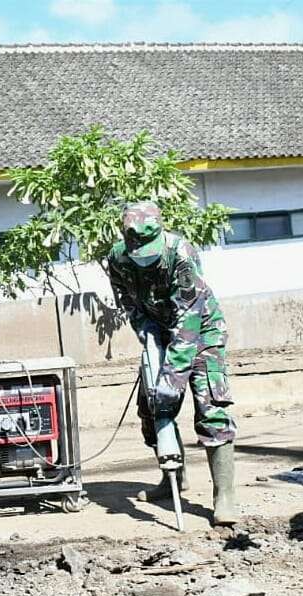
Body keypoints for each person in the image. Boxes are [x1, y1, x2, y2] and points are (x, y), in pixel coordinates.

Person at [107, 201, 238, 526]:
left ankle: (225, 496)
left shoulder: (181, 254)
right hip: (158, 332)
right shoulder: (118, 258)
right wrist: (149, 338)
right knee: (152, 407)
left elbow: (187, 321)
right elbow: (129, 303)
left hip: (201, 330)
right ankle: (172, 479)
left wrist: (171, 380)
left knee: (211, 407)